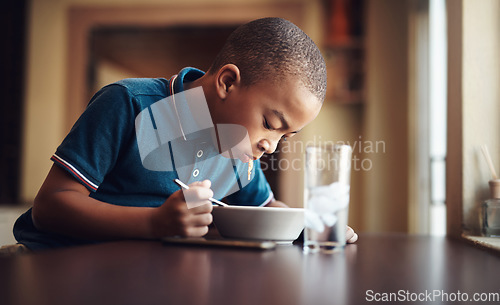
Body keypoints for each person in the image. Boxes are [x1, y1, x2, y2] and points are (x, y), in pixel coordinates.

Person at [12, 17, 358, 251]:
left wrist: (311, 226)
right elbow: (48, 207)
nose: (270, 146)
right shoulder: (128, 104)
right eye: (270, 123)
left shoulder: (240, 154)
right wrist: (155, 223)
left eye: (286, 136)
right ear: (227, 83)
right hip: (63, 266)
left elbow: (266, 209)